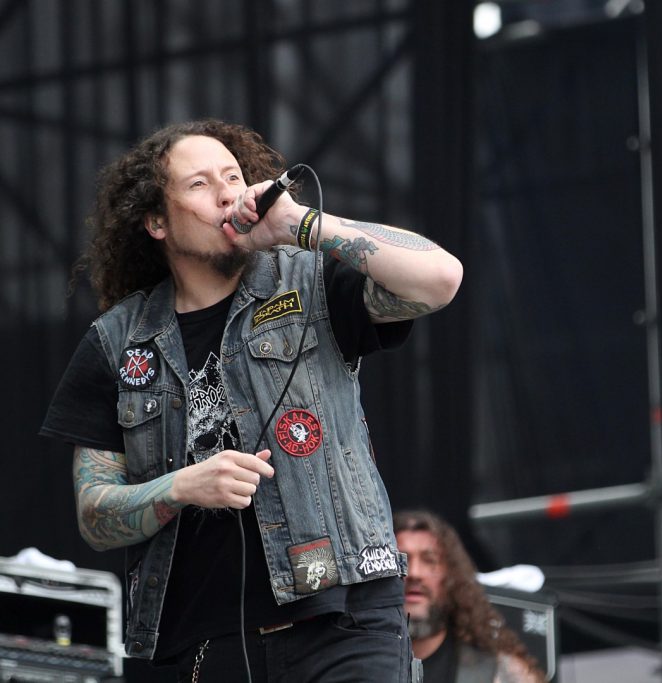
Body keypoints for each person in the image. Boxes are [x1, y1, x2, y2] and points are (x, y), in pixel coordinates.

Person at [39, 119, 463, 681]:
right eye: (199, 184)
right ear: (156, 221)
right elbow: (95, 514)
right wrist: (182, 486)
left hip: (344, 620)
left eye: (233, 177)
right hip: (204, 644)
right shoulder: (117, 342)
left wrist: (301, 224)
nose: (226, 193)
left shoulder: (308, 282)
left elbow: (440, 278)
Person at [393, 510, 546, 683]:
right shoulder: (366, 663)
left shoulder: (498, 671)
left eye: (430, 560)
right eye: (401, 560)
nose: (414, 573)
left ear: (451, 576)